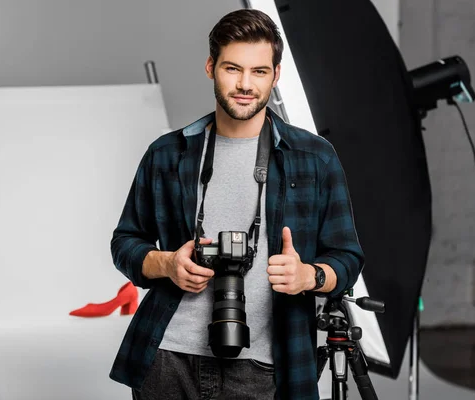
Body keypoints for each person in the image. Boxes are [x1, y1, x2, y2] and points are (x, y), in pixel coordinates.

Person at [109, 8, 364, 400]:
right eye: (233, 68)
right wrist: (167, 264)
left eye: (259, 71)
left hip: (265, 366)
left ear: (276, 75)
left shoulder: (314, 157)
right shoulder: (166, 154)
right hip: (167, 358)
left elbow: (347, 259)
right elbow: (126, 242)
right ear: (211, 67)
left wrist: (308, 277)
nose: (245, 84)